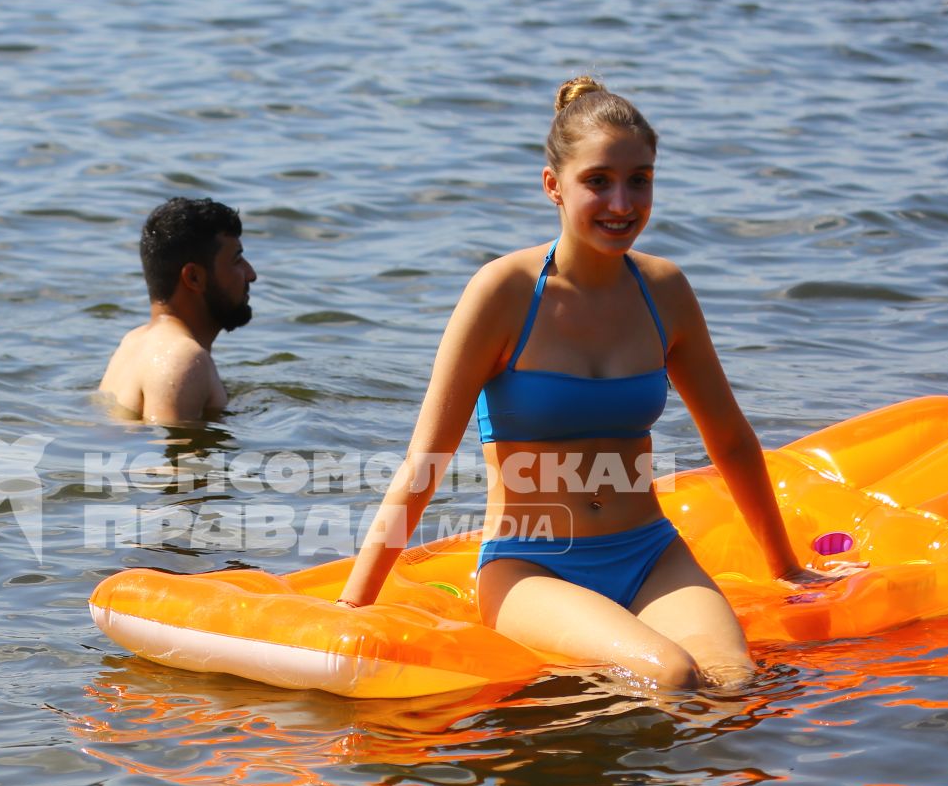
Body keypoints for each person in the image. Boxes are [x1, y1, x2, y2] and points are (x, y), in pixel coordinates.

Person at [338, 78, 847, 690]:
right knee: (671, 674)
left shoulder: (665, 292)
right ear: (553, 185)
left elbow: (731, 440)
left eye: (641, 179)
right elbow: (427, 460)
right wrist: (353, 606)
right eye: (598, 180)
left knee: (734, 684)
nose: (622, 202)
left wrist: (787, 567)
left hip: (650, 554)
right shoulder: (502, 294)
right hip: (529, 569)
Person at [99, 197, 256, 422]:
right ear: (194, 277)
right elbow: (170, 454)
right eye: (237, 259)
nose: (251, 274)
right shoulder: (182, 361)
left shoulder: (134, 341)